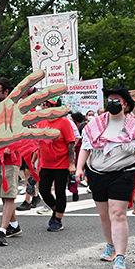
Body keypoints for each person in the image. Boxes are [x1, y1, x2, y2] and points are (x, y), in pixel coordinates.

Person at [76, 87, 135, 269]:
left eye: (117, 99)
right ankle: (110, 245)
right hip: (96, 173)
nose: (113, 102)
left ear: (126, 103)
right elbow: (86, 147)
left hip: (123, 173)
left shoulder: (134, 127)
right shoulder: (95, 124)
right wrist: (79, 168)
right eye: (110, 99)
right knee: (104, 215)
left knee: (118, 214)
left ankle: (120, 257)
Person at [0, 77, 24, 246]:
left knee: (9, 194)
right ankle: (14, 225)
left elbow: (20, 131)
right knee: (4, 195)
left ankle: (2, 230)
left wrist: (11, 145)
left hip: (11, 158)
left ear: (6, 92)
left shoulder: (15, 108)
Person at [36, 97, 77, 233]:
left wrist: (71, 164)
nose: (45, 106)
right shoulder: (41, 122)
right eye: (45, 104)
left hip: (61, 164)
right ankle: (56, 209)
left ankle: (58, 219)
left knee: (60, 192)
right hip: (45, 164)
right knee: (43, 190)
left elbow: (71, 143)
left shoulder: (64, 122)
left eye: (48, 104)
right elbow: (38, 143)